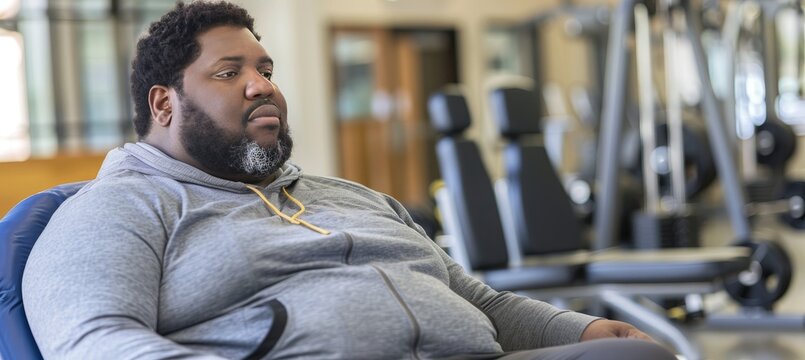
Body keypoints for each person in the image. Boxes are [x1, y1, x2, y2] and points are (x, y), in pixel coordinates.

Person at [21, 1, 676, 359]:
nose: (262, 85)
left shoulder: (350, 196)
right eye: (229, 72)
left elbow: (481, 302)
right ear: (164, 105)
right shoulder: (117, 209)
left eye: (265, 66)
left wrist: (579, 330)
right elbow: (94, 341)